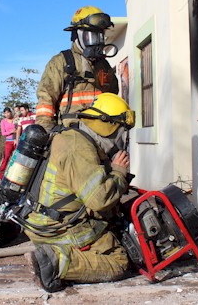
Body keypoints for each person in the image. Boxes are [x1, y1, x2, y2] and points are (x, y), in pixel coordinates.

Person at [24, 93, 134, 292]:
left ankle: (54, 255)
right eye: (122, 131)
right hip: (57, 228)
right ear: (109, 126)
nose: (122, 138)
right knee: (119, 259)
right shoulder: (79, 149)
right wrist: (119, 173)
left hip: (43, 220)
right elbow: (99, 199)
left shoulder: (72, 136)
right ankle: (55, 260)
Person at [35, 6, 119, 132]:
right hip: (70, 134)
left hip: (101, 133)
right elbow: (46, 99)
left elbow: (113, 97)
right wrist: (45, 131)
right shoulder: (61, 62)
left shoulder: (104, 66)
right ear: (76, 35)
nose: (98, 41)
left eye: (100, 36)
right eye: (92, 36)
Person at [0, 107, 16, 182]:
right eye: (5, 113)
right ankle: (0, 176)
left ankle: (14, 176)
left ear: (11, 112)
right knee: (6, 158)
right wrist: (11, 131)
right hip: (8, 141)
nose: (7, 114)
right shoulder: (3, 122)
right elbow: (3, 133)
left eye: (8, 112)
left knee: (16, 158)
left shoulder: (15, 119)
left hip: (16, 141)